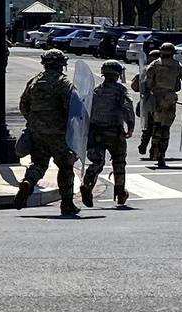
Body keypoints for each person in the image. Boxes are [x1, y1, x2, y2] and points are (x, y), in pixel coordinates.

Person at [15, 49, 79, 216]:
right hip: (58, 134)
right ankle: (67, 204)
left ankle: (28, 182)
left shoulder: (34, 82)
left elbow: (23, 105)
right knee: (65, 166)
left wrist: (34, 121)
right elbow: (72, 109)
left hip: (37, 132)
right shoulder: (64, 83)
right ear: (62, 64)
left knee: (39, 163)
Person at [79, 60, 134, 209]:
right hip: (114, 132)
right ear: (117, 74)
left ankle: (87, 184)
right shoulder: (120, 91)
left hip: (96, 132)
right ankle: (120, 192)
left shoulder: (95, 91)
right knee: (119, 162)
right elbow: (127, 108)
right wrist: (130, 127)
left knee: (97, 161)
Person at [132, 44, 182, 168]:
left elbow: (147, 82)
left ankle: (155, 149)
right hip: (170, 99)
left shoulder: (154, 65)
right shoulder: (178, 66)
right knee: (166, 128)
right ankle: (162, 153)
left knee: (156, 126)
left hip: (156, 99)